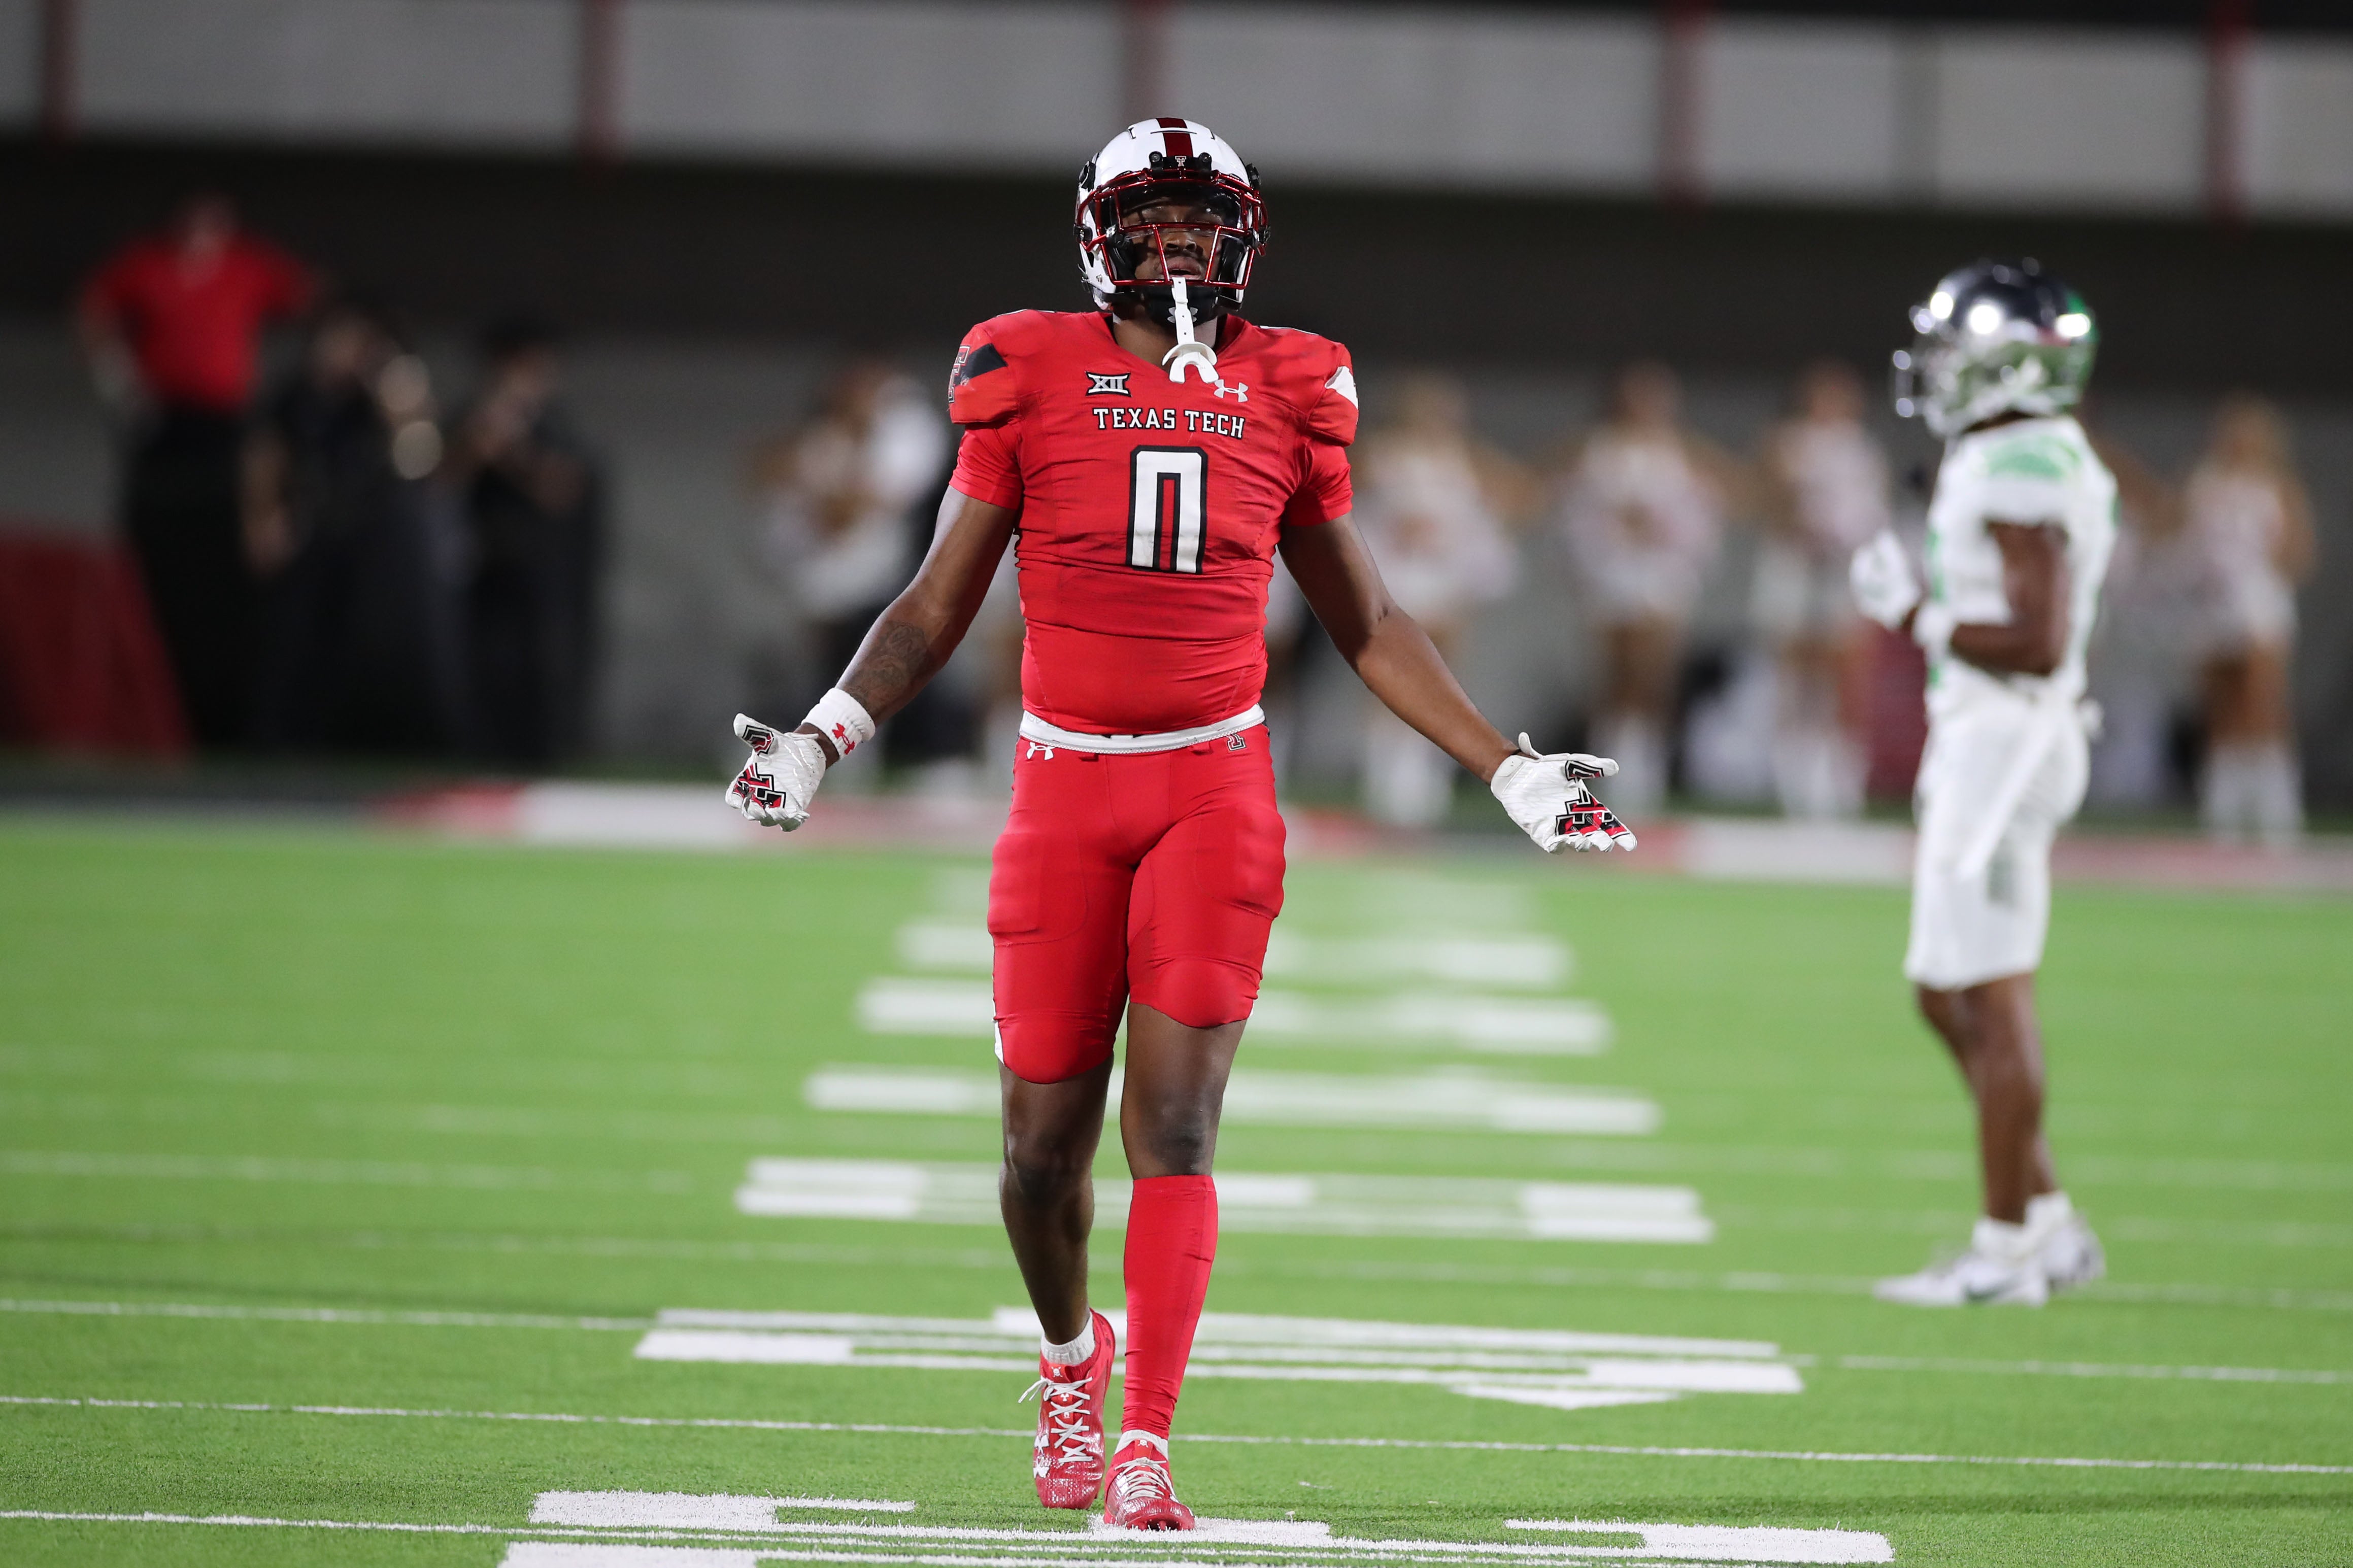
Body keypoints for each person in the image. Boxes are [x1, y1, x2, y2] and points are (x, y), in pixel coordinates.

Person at [724, 119, 1635, 1530]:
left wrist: (1505, 767)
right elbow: (935, 599)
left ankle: (1146, 1438)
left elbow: (1368, 617)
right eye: (1151, 218)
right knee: (1037, 1153)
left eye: (1200, 219)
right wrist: (822, 735)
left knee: (1179, 1128)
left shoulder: (1294, 381)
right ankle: (1069, 1362)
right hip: (1061, 784)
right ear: (1097, 234)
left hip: (1213, 783)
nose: (1178, 245)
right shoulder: (1021, 366)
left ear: (1243, 235)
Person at [1851, 259, 2113, 1307]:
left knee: (1989, 996)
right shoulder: (2013, 447)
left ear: (2009, 362)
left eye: (1960, 349)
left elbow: (2040, 639)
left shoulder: (2023, 459)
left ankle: (2008, 1252)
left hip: (2007, 742)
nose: (1940, 367)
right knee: (1944, 989)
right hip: (1987, 738)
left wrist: (1914, 617)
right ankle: (2044, 1218)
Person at [79, 193, 314, 746]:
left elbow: (310, 297)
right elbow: (92, 311)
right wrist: (120, 385)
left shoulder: (246, 267)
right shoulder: (147, 265)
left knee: (222, 564)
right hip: (165, 427)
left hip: (223, 426)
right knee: (155, 557)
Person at [244, 297, 464, 753]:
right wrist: (262, 519)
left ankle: (373, 741)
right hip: (313, 526)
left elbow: (421, 456)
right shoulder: (299, 395)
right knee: (296, 640)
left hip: (378, 536)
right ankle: (284, 741)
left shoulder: (385, 391)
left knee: (374, 641)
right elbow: (268, 457)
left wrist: (395, 395)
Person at [752, 360, 954, 779]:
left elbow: (868, 506)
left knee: (894, 664)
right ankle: (825, 752)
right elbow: (772, 476)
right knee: (830, 669)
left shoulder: (901, 437)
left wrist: (839, 493)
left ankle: (928, 756)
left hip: (885, 578)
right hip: (826, 577)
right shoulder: (823, 443)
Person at [1554, 362, 1735, 812]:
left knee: (1654, 672)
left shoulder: (1685, 451)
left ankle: (1647, 774)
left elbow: (1723, 499)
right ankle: (1604, 770)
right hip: (1610, 569)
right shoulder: (1595, 449)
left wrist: (1668, 529)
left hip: (1662, 571)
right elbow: (1564, 501)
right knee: (1614, 673)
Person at [1352, 374, 1529, 825]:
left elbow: (1523, 490)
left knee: (1441, 677)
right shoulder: (1382, 453)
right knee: (1389, 675)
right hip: (1393, 577)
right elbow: (1328, 488)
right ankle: (1384, 778)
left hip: (1444, 580)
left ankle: (1427, 777)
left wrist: (1468, 532)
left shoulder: (1467, 458)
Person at [445, 317, 603, 769]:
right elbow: (441, 482)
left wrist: (515, 454)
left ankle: (541, 759)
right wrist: (479, 445)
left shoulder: (555, 425)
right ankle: (481, 757)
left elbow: (562, 490)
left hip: (542, 565)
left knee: (542, 664)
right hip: (485, 559)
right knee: (484, 665)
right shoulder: (471, 418)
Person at [1752, 362, 1890, 819]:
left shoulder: (1862, 450)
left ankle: (1843, 785)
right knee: (1797, 675)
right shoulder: (1786, 444)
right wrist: (1803, 519)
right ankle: (1795, 783)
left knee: (1846, 673)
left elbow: (1872, 514)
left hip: (1843, 568)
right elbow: (1770, 502)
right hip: (1795, 564)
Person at [2181, 394, 2315, 846]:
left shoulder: (2276, 486)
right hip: (2212, 607)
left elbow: (2299, 552)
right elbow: (2185, 541)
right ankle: (2225, 813)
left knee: (2263, 709)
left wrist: (2262, 570)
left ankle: (2277, 814)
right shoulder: (2205, 484)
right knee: (2222, 714)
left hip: (2258, 604)